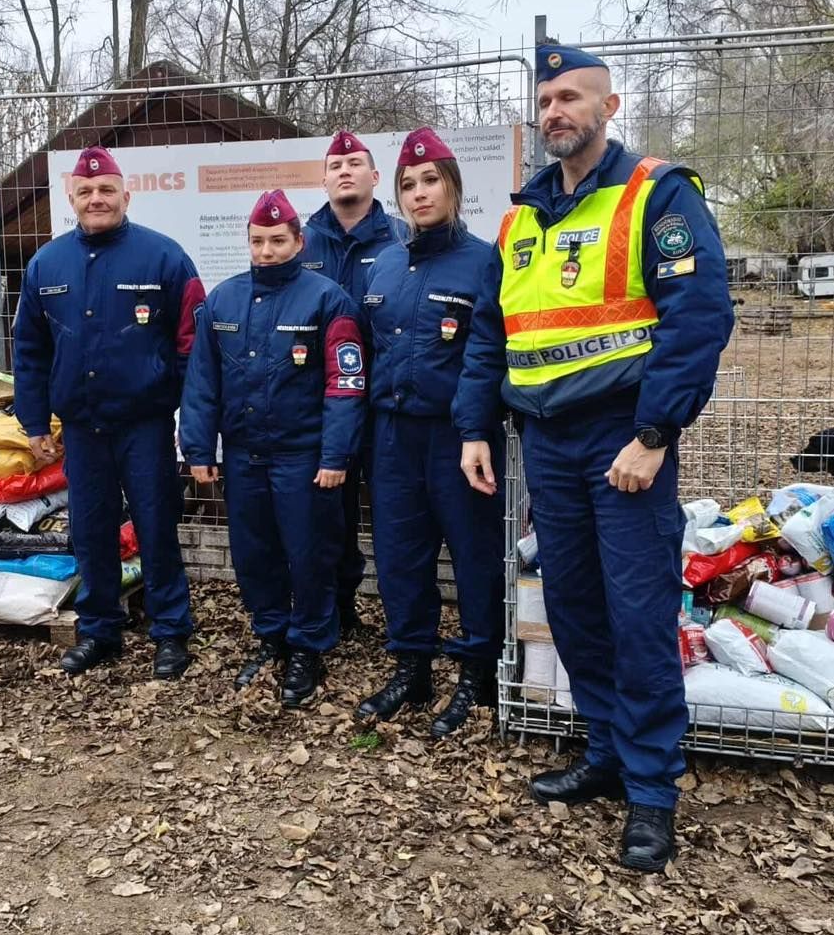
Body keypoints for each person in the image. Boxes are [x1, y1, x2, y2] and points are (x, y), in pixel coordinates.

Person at [454, 44, 734, 872]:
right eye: (545, 100)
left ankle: (651, 790)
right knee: (574, 608)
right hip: (545, 440)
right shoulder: (520, 219)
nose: (554, 112)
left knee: (637, 615)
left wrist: (653, 436)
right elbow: (489, 334)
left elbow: (697, 317)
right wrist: (474, 427)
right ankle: (607, 754)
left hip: (624, 438)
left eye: (570, 97)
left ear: (607, 108)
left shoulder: (655, 192)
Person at [13, 146, 205, 680]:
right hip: (82, 429)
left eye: (106, 190)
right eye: (86, 191)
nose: (96, 199)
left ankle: (171, 632)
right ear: (72, 198)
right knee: (91, 530)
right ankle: (99, 629)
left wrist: (188, 420)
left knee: (156, 527)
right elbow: (29, 349)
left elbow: (192, 347)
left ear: (126, 195)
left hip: (145, 425)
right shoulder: (46, 264)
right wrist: (33, 423)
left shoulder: (165, 258)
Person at [179, 189, 367, 707]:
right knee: (254, 554)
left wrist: (336, 455)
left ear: (298, 242)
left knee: (310, 555)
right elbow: (202, 382)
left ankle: (308, 645)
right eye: (258, 241)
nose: (266, 251)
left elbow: (345, 383)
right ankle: (272, 637)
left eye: (278, 241)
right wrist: (199, 449)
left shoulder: (329, 300)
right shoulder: (223, 301)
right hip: (244, 456)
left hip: (303, 458)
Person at [355, 127, 505, 738]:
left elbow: (488, 355)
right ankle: (411, 667)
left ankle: (477, 673)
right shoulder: (386, 264)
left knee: (473, 557)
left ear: (454, 188)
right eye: (408, 184)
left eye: (431, 181)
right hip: (392, 436)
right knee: (399, 556)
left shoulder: (485, 261)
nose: (419, 193)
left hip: (459, 438)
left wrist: (474, 427)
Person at [301, 131, 406, 636]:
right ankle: (339, 610)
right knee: (328, 515)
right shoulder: (301, 242)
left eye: (355, 163)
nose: (345, 171)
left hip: (387, 403)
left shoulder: (403, 238)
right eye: (336, 165)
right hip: (322, 407)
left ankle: (403, 623)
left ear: (375, 176)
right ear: (323, 180)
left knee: (394, 514)